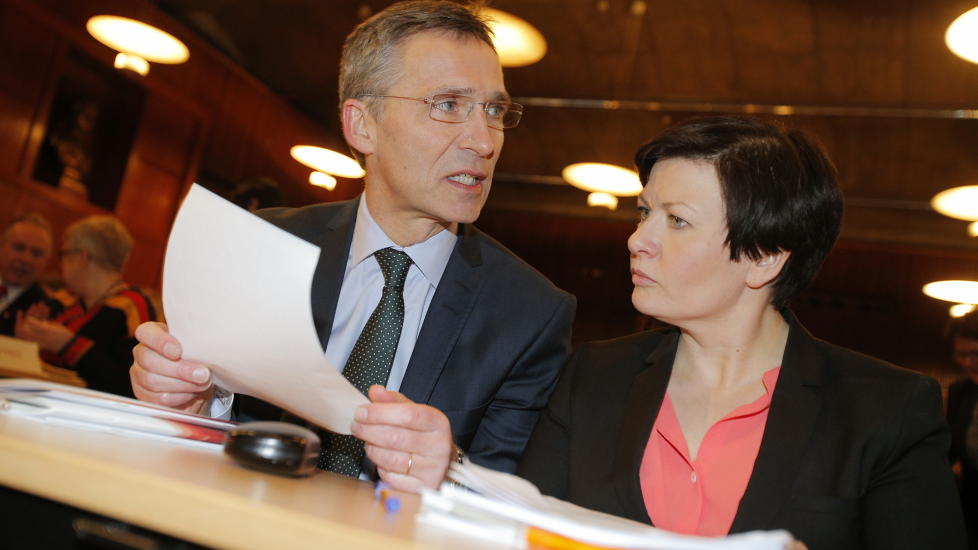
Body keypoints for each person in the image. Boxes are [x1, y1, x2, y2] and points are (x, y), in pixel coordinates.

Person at [129, 0, 575, 491]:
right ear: (361, 125)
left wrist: (449, 471)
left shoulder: (530, 313)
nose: (485, 140)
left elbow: (514, 496)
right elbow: (208, 437)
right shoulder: (261, 245)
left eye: (493, 110)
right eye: (448, 105)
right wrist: (192, 404)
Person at [514, 116, 966, 549]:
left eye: (677, 220)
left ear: (764, 256)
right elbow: (517, 533)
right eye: (645, 211)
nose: (637, 239)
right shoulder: (593, 375)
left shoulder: (885, 410)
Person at [16, 215, 157, 397]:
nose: (61, 264)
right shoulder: (63, 299)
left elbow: (131, 384)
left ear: (83, 257)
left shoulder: (133, 306)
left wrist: (68, 345)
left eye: (64, 254)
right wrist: (26, 345)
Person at [0, 213, 61, 336]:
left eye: (36, 253)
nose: (26, 259)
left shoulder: (47, 310)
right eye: (19, 248)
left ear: (46, 262)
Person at [947, 309, 978, 549]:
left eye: (976, 354)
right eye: (962, 354)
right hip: (968, 512)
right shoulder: (960, 392)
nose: (969, 362)